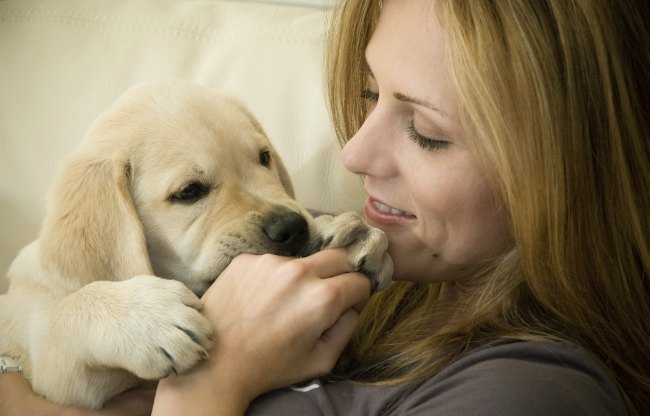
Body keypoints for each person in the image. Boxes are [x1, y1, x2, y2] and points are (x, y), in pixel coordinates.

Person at [2, 0, 648, 414]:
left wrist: (210, 387)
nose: (354, 155)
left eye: (426, 130)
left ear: (561, 173)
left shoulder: (525, 393)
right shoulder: (374, 267)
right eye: (369, 95)